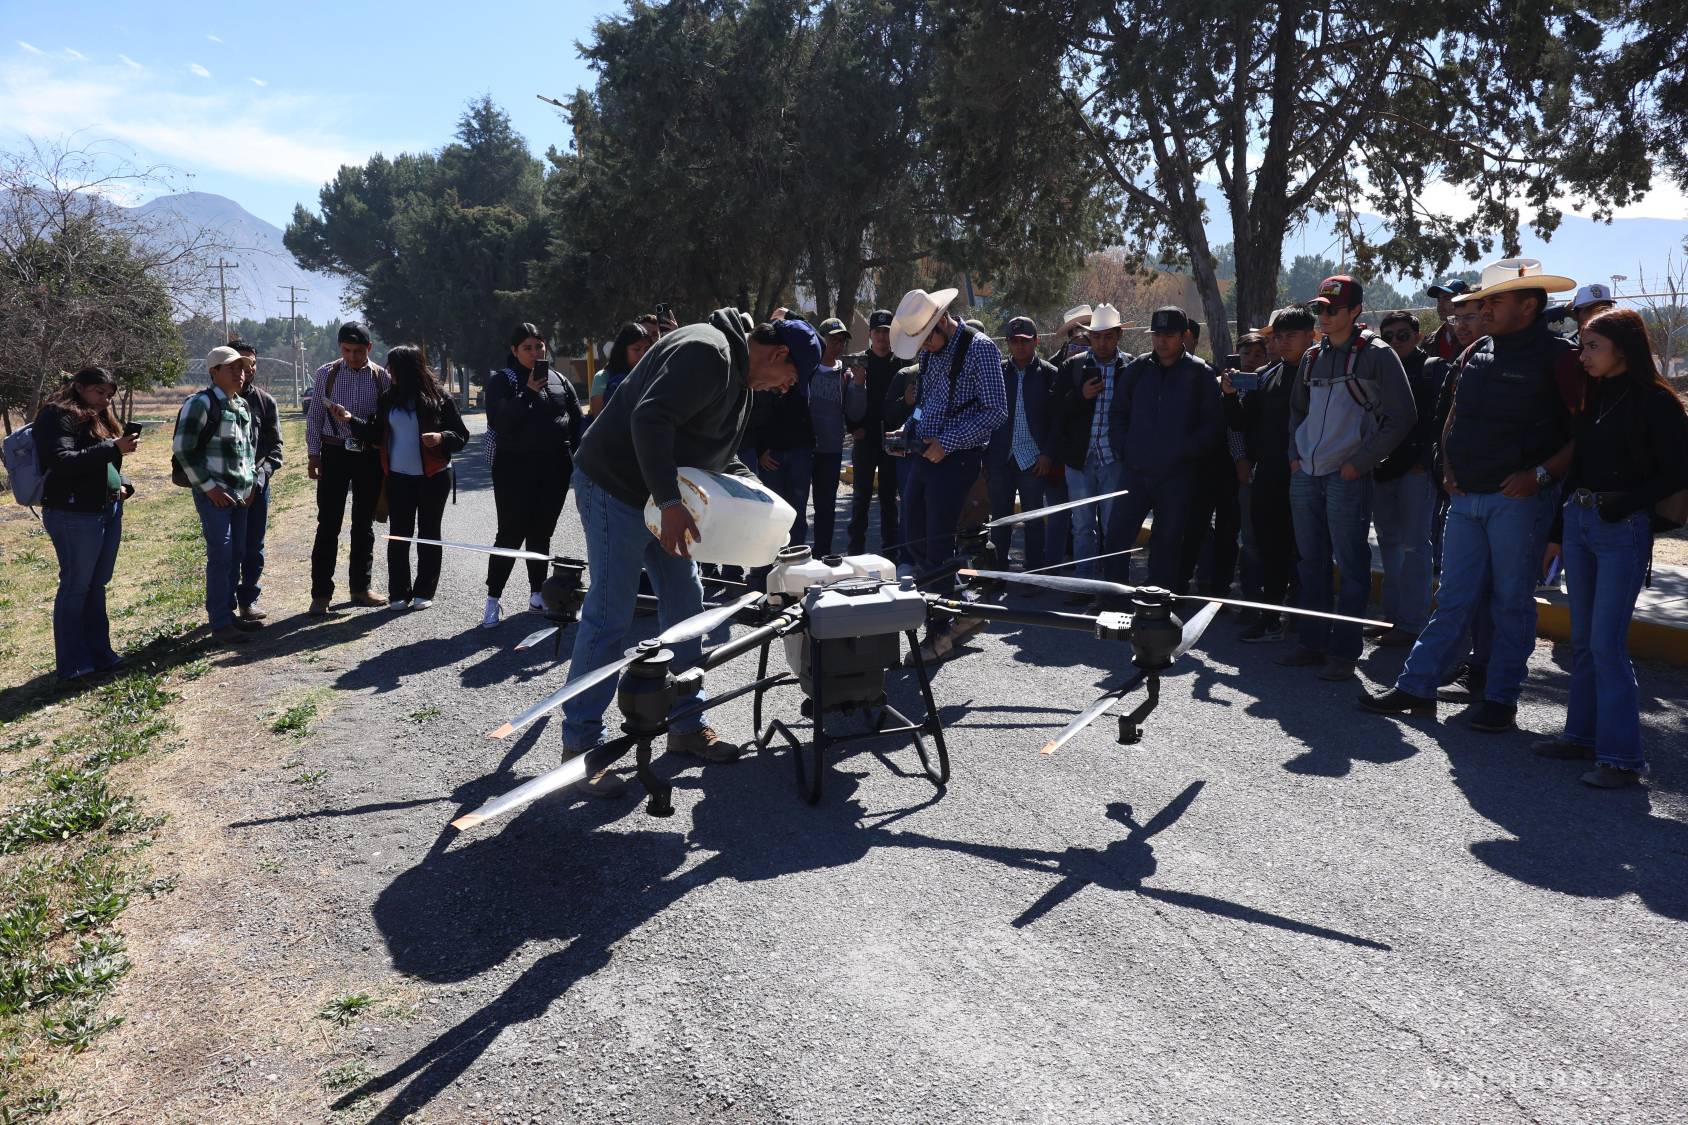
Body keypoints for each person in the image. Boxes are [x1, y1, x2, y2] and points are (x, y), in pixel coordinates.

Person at [562, 309, 819, 784]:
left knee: (686, 606)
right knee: (611, 612)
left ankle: (685, 724)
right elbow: (649, 418)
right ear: (779, 354)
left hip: (663, 497)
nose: (786, 389)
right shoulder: (707, 352)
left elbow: (721, 459)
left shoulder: (741, 385)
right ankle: (582, 744)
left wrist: (761, 504)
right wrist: (667, 501)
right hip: (616, 487)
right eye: (791, 379)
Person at [1363, 259, 1579, 731]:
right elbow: (1453, 414)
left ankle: (1501, 699)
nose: (1485, 309)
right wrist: (1446, 468)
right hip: (1464, 498)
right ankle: (1416, 685)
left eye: (1495, 301)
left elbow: (1583, 433)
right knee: (1452, 598)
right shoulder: (1477, 350)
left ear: (1528, 306)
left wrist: (1540, 476)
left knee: (1511, 603)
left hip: (1520, 502)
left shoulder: (1561, 357)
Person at [1536, 309, 1688, 788]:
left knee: (1606, 644)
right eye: (1581, 345)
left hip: (1623, 530)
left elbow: (1678, 471)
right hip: (1579, 522)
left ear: (1622, 348)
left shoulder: (1657, 402)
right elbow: (1578, 466)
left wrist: (1624, 506)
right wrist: (1557, 532)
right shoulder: (1594, 394)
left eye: (1592, 346)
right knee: (1583, 639)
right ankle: (1580, 736)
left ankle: (1623, 759)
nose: (1582, 355)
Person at [1279, 277, 1415, 682]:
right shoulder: (1312, 357)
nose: (1323, 316)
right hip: (1306, 473)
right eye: (1319, 309)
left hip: (1347, 476)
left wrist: (1360, 463)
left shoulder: (1378, 355)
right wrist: (1294, 457)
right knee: (1311, 562)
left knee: (1352, 565)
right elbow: (1297, 411)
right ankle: (1312, 642)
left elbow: (1402, 417)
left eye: (1332, 310)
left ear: (1355, 311)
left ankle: (1343, 652)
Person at [329, 345, 470, 609]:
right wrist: (350, 419)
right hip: (398, 478)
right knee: (399, 536)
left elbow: (461, 435)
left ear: (407, 369)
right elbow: (376, 434)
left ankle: (424, 592)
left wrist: (441, 437)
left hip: (434, 477)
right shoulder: (388, 398)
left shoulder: (439, 397)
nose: (389, 371)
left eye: (393, 367)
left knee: (429, 534)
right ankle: (399, 593)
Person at [1096, 306, 1224, 590]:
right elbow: (1118, 413)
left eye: (1169, 335)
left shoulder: (1200, 373)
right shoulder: (1137, 369)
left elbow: (1212, 426)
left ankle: (1157, 601)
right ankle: (1112, 595)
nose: (1161, 341)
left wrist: (1184, 453)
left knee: (1167, 540)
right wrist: (1124, 448)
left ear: (1184, 335)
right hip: (1135, 472)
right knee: (1117, 536)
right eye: (1157, 335)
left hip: (1176, 476)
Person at [887, 288, 1007, 580]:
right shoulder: (930, 356)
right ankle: (942, 591)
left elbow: (997, 411)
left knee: (938, 541)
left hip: (958, 459)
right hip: (923, 455)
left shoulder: (980, 348)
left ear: (941, 321)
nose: (925, 348)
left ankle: (946, 601)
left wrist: (947, 443)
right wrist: (906, 430)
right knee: (914, 533)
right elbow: (924, 405)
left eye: (927, 339)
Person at [34, 367, 136, 680]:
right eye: (99, 392)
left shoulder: (99, 415)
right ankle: (74, 664)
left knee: (96, 584)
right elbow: (62, 460)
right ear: (79, 387)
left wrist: (123, 484)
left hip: (106, 507)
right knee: (76, 585)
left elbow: (104, 464)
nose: (105, 400)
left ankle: (100, 655)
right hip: (73, 512)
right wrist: (113, 447)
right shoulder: (57, 415)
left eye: (110, 395)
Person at [481, 323, 583, 628]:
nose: (535, 352)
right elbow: (500, 422)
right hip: (513, 468)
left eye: (539, 346)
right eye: (527, 348)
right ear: (514, 351)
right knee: (510, 534)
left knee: (541, 533)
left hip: (554, 468)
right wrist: (528, 392)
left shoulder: (560, 379)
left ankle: (537, 594)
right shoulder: (502, 381)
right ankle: (493, 599)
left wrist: (578, 457)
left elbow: (576, 422)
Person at [1235, 308, 1315, 642]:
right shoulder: (1266, 375)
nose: (1282, 343)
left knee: (1307, 551)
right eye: (1278, 337)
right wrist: (1230, 396)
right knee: (1270, 548)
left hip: (1309, 474)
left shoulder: (1321, 372)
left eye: (1290, 335)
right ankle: (1270, 617)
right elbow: (1244, 421)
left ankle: (1305, 621)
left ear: (1311, 336)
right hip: (1268, 474)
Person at [176, 346, 259, 645]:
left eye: (242, 368)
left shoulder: (242, 405)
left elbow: (247, 450)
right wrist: (209, 487)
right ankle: (220, 622)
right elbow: (183, 448)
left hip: (240, 495)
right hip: (215, 495)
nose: (240, 373)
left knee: (236, 554)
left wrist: (251, 485)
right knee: (221, 556)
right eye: (231, 368)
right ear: (214, 372)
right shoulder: (200, 403)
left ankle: (228, 614)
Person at [305, 323, 389, 615]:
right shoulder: (325, 374)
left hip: (367, 457)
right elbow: (315, 416)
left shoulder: (381, 377)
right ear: (340, 347)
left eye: (358, 351)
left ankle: (361, 588)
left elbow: (384, 422)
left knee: (363, 524)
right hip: (333, 453)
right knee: (328, 523)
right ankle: (321, 595)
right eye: (347, 350)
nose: (352, 356)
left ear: (369, 348)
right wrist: (313, 455)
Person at [1370, 310, 1439, 647]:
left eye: (1403, 335)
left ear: (1417, 336)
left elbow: (1440, 420)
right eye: (1388, 337)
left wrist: (1424, 462)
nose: (1395, 341)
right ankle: (1392, 617)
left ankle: (1413, 623)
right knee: (1389, 544)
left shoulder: (1432, 368)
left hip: (1416, 472)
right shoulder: (1379, 369)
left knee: (1415, 547)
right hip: (1382, 469)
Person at [1049, 303, 1131, 583]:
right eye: (1096, 336)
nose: (1102, 342)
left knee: (1113, 525)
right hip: (1079, 459)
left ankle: (1114, 584)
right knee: (1082, 526)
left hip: (1114, 459)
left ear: (1119, 335)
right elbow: (1056, 411)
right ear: (1090, 336)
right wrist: (1080, 396)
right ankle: (1085, 583)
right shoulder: (1072, 366)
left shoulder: (1131, 367)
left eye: (1108, 336)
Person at [987, 316, 1059, 570]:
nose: (1020, 346)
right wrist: (986, 455)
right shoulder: (996, 372)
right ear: (1007, 342)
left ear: (1036, 341)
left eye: (1025, 341)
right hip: (1000, 458)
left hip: (1033, 460)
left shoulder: (1049, 374)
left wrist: (1047, 454)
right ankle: (998, 572)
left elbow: (1057, 421)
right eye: (1014, 341)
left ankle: (1033, 572)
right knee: (1000, 518)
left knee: (1034, 519)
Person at [230, 342, 283, 624]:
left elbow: (275, 448)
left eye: (250, 363)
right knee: (226, 548)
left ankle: (248, 600)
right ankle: (224, 605)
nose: (245, 369)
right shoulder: (208, 402)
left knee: (253, 547)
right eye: (239, 363)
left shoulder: (265, 402)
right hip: (222, 489)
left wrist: (259, 480)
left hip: (257, 487)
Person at [845, 309, 903, 560]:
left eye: (886, 331)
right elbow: (846, 401)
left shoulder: (901, 363)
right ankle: (855, 553)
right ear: (870, 334)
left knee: (890, 501)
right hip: (865, 441)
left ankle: (891, 555)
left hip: (893, 440)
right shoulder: (859, 362)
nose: (881, 336)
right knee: (861, 499)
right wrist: (852, 427)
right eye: (877, 331)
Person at [806, 318, 861, 555]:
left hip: (831, 450)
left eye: (841, 341)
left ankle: (822, 554)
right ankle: (793, 555)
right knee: (796, 504)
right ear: (820, 340)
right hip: (804, 448)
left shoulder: (845, 375)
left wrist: (858, 386)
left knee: (825, 506)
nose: (838, 345)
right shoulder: (807, 370)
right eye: (833, 339)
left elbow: (853, 412)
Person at [595, 322, 653, 413]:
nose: (643, 354)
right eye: (636, 349)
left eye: (647, 349)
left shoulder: (653, 374)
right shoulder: (602, 377)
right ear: (622, 350)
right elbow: (598, 417)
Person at [1424, 280, 1472, 359]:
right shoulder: (1430, 341)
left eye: (1447, 298)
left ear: (1463, 301)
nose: (1440, 304)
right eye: (1438, 299)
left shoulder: (1473, 337)